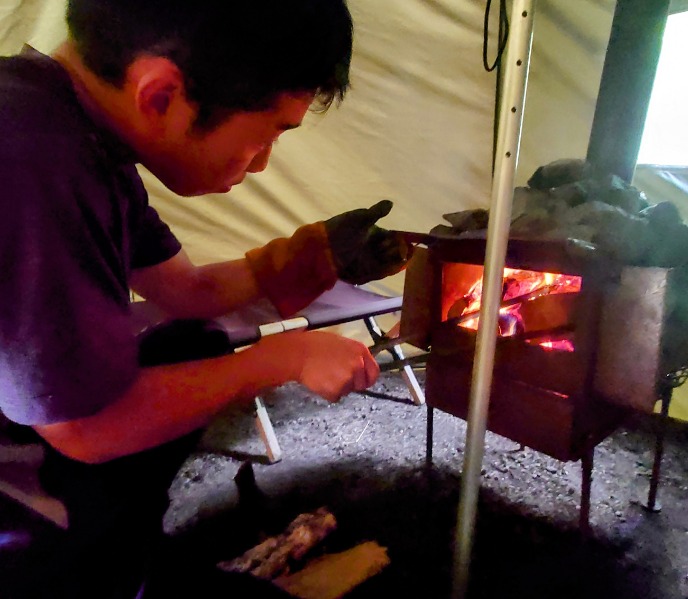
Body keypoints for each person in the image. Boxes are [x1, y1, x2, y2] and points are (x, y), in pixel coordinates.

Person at [0, 1, 410, 597]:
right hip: (19, 503)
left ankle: (128, 552)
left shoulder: (79, 130)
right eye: (271, 131)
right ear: (162, 94)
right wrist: (285, 358)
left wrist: (318, 255)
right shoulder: (30, 159)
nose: (264, 162)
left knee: (188, 343)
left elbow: (189, 292)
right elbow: (85, 428)